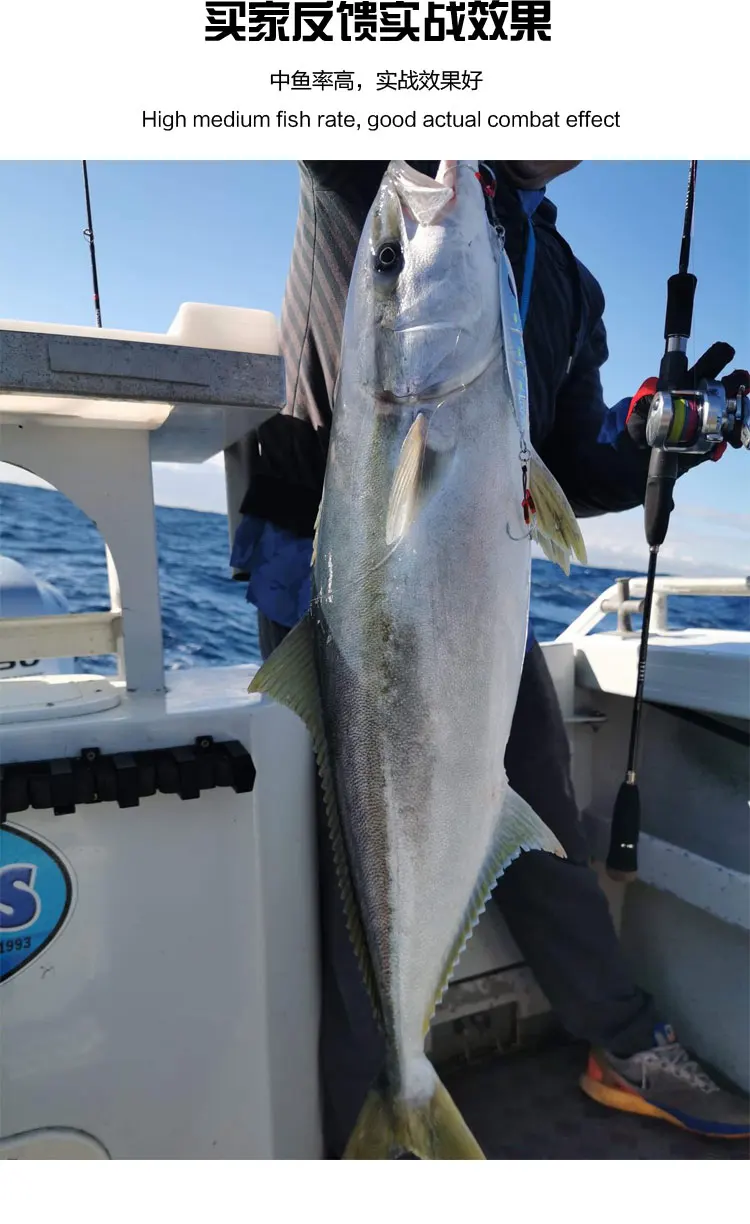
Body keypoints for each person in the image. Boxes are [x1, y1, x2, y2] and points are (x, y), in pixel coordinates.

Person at [231, 161, 749, 1155]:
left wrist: (652, 435)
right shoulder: (373, 180)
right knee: (360, 875)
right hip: (334, 596)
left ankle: (622, 1043)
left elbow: (565, 456)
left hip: (473, 594)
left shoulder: (566, 282)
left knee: (544, 820)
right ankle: (369, 1116)